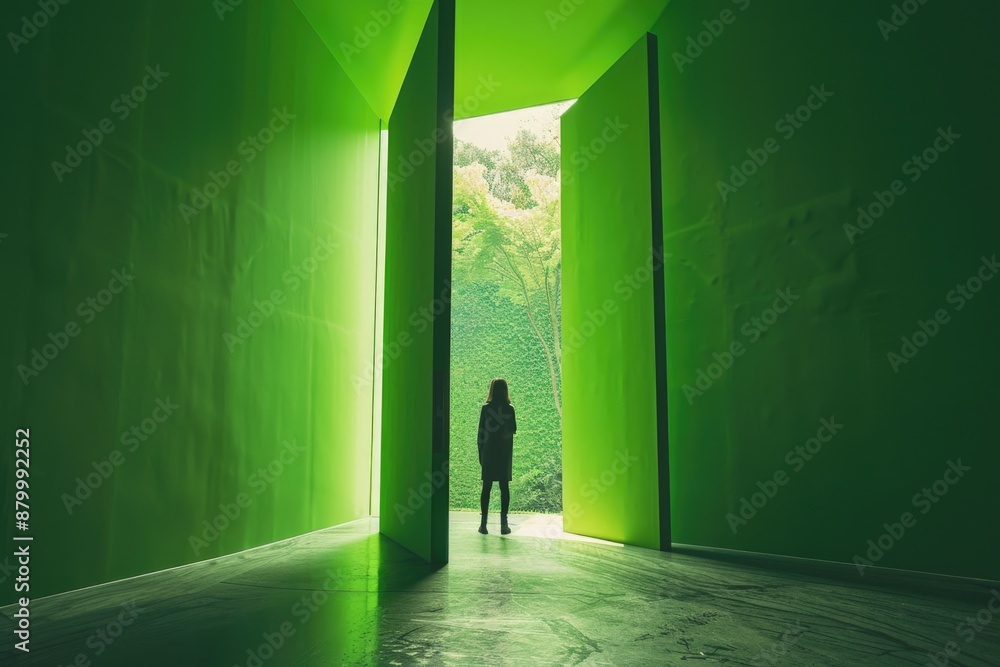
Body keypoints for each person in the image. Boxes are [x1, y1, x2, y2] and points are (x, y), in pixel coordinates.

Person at [476, 378, 517, 535]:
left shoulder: (486, 409)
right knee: (504, 487)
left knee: (486, 487)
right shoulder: (509, 409)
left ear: (491, 389)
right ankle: (503, 525)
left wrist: (481, 453)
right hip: (504, 454)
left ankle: (483, 524)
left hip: (488, 452)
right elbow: (512, 430)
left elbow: (480, 434)